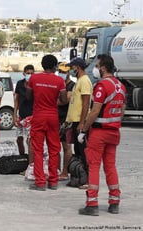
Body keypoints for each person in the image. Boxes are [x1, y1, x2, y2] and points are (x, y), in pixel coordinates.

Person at [78, 54, 126, 216]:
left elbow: (95, 111)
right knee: (110, 166)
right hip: (114, 132)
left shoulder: (102, 86)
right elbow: (122, 112)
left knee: (93, 166)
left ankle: (92, 204)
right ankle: (114, 202)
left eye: (97, 66)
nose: (96, 69)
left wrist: (84, 130)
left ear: (103, 68)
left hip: (100, 132)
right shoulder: (121, 86)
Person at [26, 55, 68, 191]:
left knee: (37, 149)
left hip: (38, 116)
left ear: (42, 65)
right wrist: (53, 101)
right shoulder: (59, 81)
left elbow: (29, 96)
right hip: (53, 116)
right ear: (55, 66)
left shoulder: (34, 78)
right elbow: (64, 100)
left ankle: (40, 182)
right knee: (54, 149)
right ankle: (53, 181)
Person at [66, 57, 92, 187]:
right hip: (74, 121)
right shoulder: (79, 81)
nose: (71, 69)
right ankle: (79, 177)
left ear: (78, 67)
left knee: (83, 151)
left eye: (73, 67)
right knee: (77, 151)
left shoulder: (85, 81)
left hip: (79, 121)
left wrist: (82, 123)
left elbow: (86, 103)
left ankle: (87, 179)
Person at [14, 65, 34, 176]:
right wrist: (14, 115)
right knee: (19, 139)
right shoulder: (20, 84)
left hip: (31, 116)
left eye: (32, 73)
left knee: (30, 142)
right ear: (24, 73)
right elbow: (16, 99)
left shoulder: (34, 84)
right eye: (28, 73)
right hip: (21, 115)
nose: (29, 75)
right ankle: (23, 159)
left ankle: (30, 166)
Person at [57, 62, 75, 180]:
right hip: (56, 118)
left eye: (64, 72)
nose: (62, 74)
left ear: (69, 73)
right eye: (60, 71)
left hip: (67, 120)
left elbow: (64, 101)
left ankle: (65, 171)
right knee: (55, 147)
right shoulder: (58, 83)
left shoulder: (72, 85)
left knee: (67, 147)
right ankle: (57, 170)